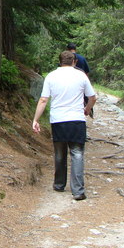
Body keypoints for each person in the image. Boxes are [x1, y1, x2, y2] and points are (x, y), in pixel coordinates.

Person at [32, 50, 97, 200]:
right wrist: (87, 109)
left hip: (58, 119)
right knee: (77, 153)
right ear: (74, 62)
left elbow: (43, 100)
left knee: (60, 153)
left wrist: (35, 119)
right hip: (77, 119)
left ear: (59, 62)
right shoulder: (81, 76)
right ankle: (78, 190)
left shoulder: (51, 76)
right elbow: (92, 97)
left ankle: (59, 184)